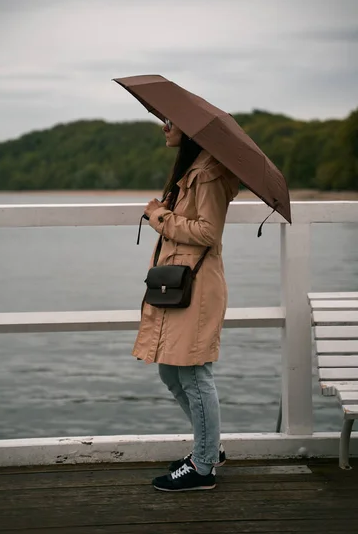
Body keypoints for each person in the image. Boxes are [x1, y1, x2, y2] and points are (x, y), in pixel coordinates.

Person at [133, 120, 239, 492]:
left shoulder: (207, 174)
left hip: (196, 286)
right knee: (170, 373)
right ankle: (209, 448)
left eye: (171, 122)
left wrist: (159, 216)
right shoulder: (192, 171)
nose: (164, 127)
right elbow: (191, 220)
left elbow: (209, 231)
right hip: (180, 285)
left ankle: (204, 466)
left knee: (193, 374)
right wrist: (166, 208)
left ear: (192, 131)